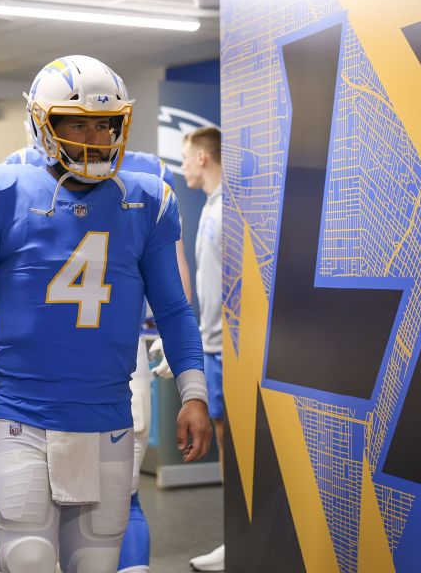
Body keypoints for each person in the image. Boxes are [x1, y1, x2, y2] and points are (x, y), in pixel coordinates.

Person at [0, 55, 214, 573]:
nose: (94, 135)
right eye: (77, 121)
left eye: (104, 123)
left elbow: (173, 308)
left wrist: (193, 393)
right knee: (29, 563)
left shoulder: (147, 200)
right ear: (45, 126)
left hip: (107, 418)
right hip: (23, 417)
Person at [2, 144, 191, 573]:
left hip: (40, 369)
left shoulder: (14, 173)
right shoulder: (147, 175)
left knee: (33, 515)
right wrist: (168, 333)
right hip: (119, 355)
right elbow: (177, 284)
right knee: (122, 497)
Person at [181, 126, 226, 573]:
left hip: (229, 350)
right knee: (225, 440)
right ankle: (237, 535)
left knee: (235, 445)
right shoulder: (211, 209)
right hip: (212, 344)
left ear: (202, 159)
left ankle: (241, 537)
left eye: (185, 157)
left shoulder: (229, 209)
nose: (181, 166)